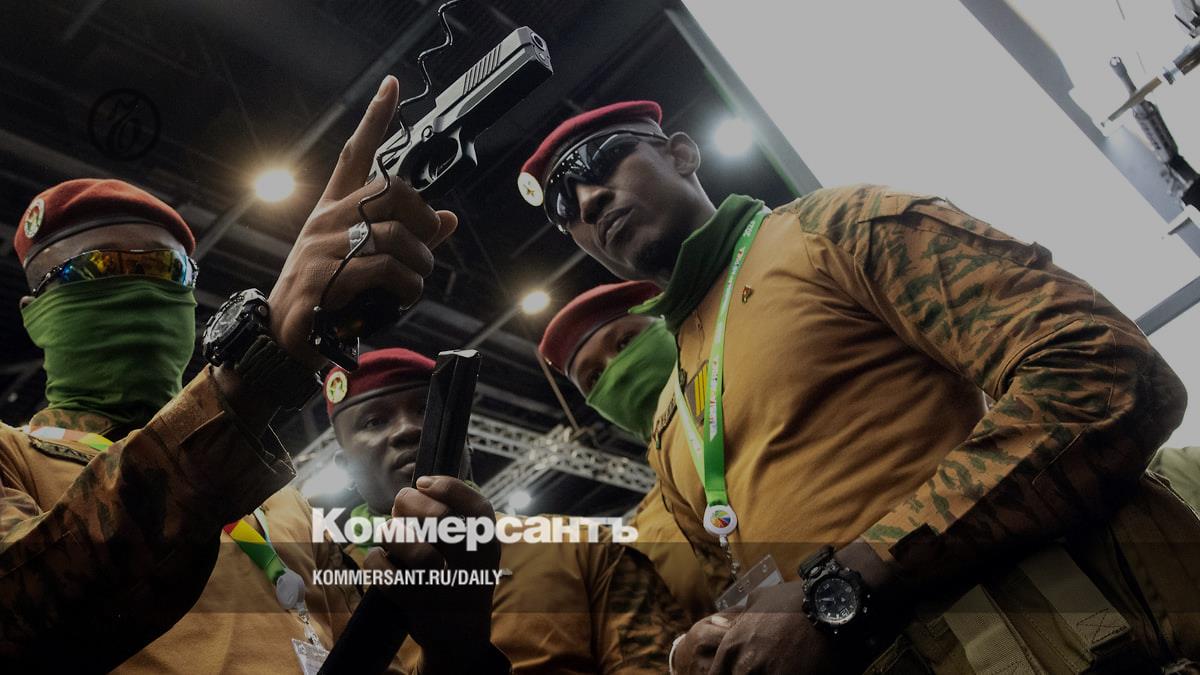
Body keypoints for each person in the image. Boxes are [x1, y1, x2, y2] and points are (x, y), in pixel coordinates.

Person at [517, 100, 1199, 673]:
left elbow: (1104, 371)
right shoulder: (672, 420)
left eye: (603, 161)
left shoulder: (829, 231)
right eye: (563, 206)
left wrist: (846, 584)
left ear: (681, 153)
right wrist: (710, 641)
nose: (588, 199)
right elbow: (746, 588)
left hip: (1045, 644)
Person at [0, 75, 503, 673]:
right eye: (99, 267)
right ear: (33, 312)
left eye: (168, 270)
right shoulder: (13, 458)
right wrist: (261, 365)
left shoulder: (284, 506)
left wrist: (455, 645)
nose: (141, 285)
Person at [323, 347, 688, 673]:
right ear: (345, 467)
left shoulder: (578, 545)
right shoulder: (329, 590)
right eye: (374, 421)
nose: (407, 429)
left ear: (466, 437)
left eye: (426, 410)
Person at [539, 280, 712, 623]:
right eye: (594, 377)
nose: (618, 371)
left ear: (667, 327)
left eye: (626, 342)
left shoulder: (772, 394)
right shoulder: (646, 534)